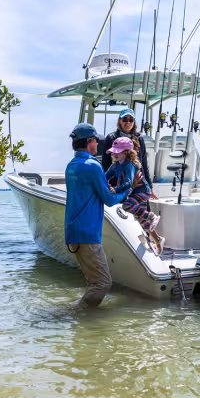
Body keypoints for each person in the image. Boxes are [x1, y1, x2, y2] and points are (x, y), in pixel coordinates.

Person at [65, 123, 129, 311]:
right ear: (89, 142)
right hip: (88, 234)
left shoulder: (71, 165)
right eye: (95, 140)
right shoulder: (93, 166)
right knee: (102, 284)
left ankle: (83, 330)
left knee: (93, 282)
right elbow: (109, 200)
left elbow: (92, 189)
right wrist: (128, 190)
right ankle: (76, 316)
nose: (97, 144)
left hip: (73, 232)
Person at [105, 136, 165, 255]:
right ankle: (158, 239)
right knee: (142, 221)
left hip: (142, 191)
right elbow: (105, 176)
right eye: (113, 152)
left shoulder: (129, 165)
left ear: (127, 153)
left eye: (118, 152)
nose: (114, 155)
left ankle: (151, 216)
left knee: (127, 206)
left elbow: (128, 183)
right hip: (134, 192)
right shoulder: (115, 165)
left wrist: (115, 190)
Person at [102, 108, 156, 198]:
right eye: (125, 119)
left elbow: (144, 165)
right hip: (118, 186)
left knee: (138, 209)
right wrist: (107, 186)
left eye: (131, 120)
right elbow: (105, 164)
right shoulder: (111, 137)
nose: (128, 122)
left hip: (138, 185)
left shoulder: (139, 138)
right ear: (120, 121)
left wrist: (150, 187)